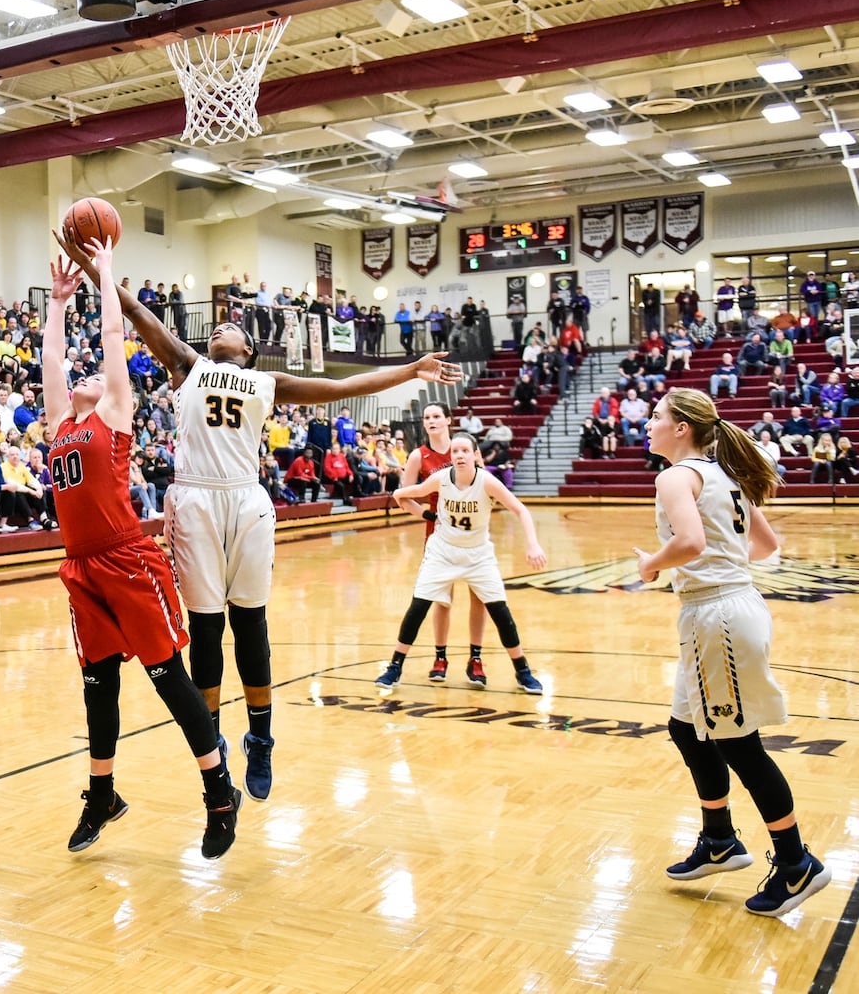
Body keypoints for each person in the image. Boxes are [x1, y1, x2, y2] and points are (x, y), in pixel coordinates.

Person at [57, 227, 462, 802]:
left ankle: (262, 737)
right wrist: (94, 263)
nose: (222, 327)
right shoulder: (186, 363)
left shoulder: (269, 382)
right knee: (206, 627)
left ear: (248, 351)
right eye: (217, 325)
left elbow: (343, 384)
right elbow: (133, 309)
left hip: (246, 500)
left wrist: (407, 370)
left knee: (251, 622)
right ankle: (214, 738)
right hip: (195, 498)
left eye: (233, 329)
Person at [42, 247, 239, 858]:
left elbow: (107, 336)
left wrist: (104, 279)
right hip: (81, 569)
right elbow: (52, 359)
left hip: (127, 558)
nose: (83, 375)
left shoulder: (114, 413)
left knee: (166, 679)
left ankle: (219, 793)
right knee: (97, 687)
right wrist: (55, 303)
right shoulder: (59, 427)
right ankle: (101, 794)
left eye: (95, 375)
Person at [632, 387, 830, 916]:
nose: (648, 424)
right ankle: (719, 839)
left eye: (656, 417)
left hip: (718, 615)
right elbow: (765, 547)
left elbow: (692, 543)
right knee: (684, 727)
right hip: (728, 608)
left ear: (681, 429)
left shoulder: (675, 475)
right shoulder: (726, 474)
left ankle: (796, 864)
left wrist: (651, 563)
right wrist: (719, 556)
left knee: (740, 744)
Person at [385, 433, 548, 692]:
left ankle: (522, 671)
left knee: (500, 611)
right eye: (455, 451)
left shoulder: (487, 482)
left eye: (464, 451)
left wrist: (533, 543)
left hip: (478, 555)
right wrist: (425, 513)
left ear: (474, 455)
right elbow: (401, 495)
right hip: (442, 552)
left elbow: (520, 509)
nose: (459, 455)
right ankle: (394, 667)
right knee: (419, 605)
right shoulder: (441, 478)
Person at [375, 404, 498, 690]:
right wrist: (428, 515)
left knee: (478, 596)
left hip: (472, 531)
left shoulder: (465, 449)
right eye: (427, 418)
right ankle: (440, 658)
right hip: (439, 534)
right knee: (441, 598)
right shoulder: (419, 455)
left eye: (436, 417)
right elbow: (404, 497)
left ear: (448, 420)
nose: (431, 421)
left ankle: (475, 659)